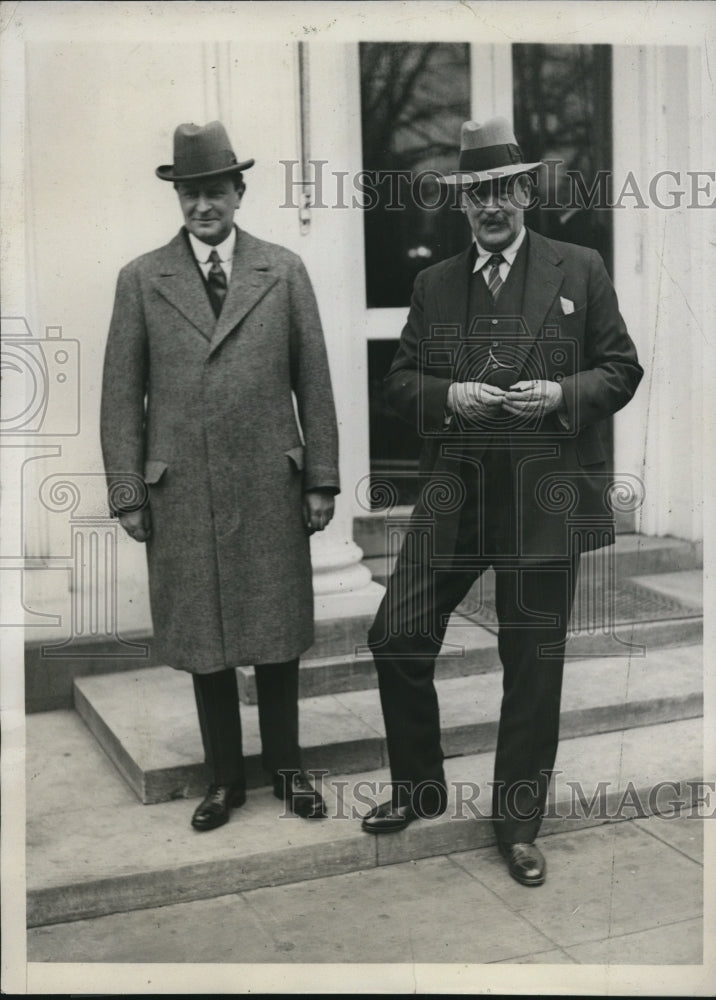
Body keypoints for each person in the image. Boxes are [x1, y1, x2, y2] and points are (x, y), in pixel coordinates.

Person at [362, 117, 643, 886]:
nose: (491, 205)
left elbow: (621, 369)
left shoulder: (578, 267)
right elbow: (398, 385)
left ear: (525, 191)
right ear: (463, 204)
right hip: (456, 494)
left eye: (502, 189)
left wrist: (560, 393)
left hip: (543, 496)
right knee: (396, 635)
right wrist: (450, 394)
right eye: (475, 193)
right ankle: (418, 788)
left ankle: (518, 825)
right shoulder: (433, 283)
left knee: (534, 663)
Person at [101, 121, 339, 832]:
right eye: (190, 193)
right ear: (178, 198)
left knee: (276, 634)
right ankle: (224, 781)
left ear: (239, 191)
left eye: (215, 191)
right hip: (183, 492)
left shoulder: (284, 269)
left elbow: (315, 383)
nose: (203, 205)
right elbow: (120, 397)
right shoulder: (143, 279)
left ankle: (289, 772)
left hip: (271, 482)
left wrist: (320, 477)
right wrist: (126, 493)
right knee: (204, 641)